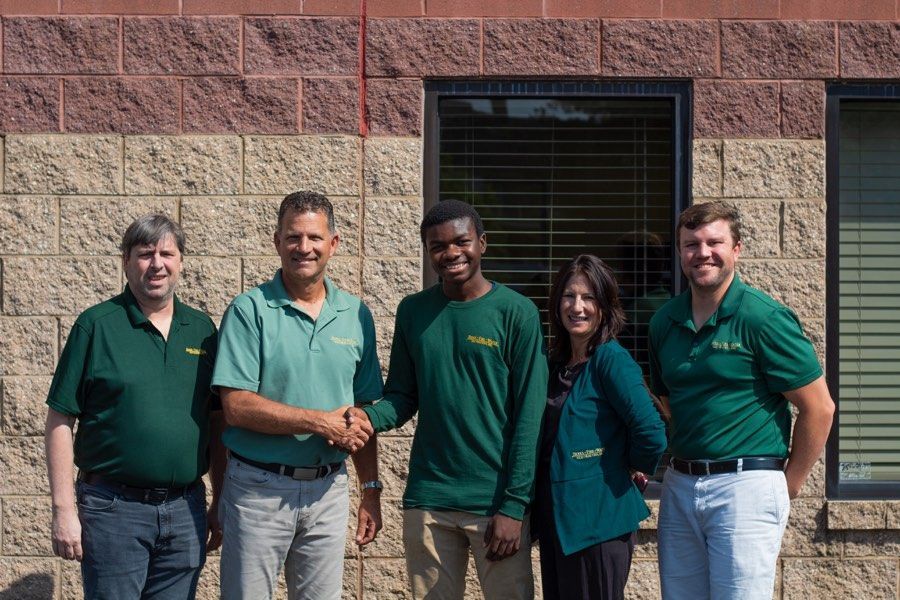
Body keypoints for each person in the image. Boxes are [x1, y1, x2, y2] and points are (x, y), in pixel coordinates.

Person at [345, 199, 548, 599]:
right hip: (429, 500)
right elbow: (402, 397)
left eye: (461, 241)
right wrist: (366, 418)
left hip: (494, 502)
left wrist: (515, 505)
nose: (451, 253)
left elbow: (530, 415)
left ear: (482, 243)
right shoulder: (413, 312)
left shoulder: (516, 313)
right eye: (438, 245)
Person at [648, 202, 835, 599]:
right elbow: (666, 397)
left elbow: (819, 407)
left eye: (714, 242)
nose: (702, 253)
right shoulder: (664, 321)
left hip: (745, 484)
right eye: (691, 244)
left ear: (737, 249)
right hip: (680, 485)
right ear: (680, 253)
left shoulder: (763, 318)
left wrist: (792, 483)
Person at [212, 191, 383, 600]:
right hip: (258, 490)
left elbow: (363, 413)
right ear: (277, 242)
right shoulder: (248, 310)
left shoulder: (356, 315)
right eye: (293, 237)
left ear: (333, 244)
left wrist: (371, 490)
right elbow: (235, 406)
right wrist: (319, 422)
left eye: (314, 237)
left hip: (328, 492)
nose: (303, 248)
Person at [44, 214, 225, 599]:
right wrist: (63, 510)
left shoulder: (203, 330)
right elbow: (60, 419)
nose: (156, 263)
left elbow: (217, 423)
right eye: (144, 254)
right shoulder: (96, 325)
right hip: (113, 511)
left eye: (166, 253)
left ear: (181, 261)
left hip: (185, 509)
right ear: (126, 261)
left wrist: (220, 499)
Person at [534, 254, 667, 600]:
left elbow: (651, 431)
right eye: (569, 296)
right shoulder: (556, 364)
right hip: (558, 520)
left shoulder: (610, 359)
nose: (577, 306)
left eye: (589, 297)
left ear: (605, 306)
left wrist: (629, 466)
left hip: (598, 523)